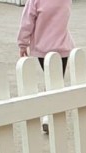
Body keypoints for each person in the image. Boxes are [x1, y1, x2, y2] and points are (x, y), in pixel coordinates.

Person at [17, 0, 75, 133]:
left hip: (43, 47)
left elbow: (27, 22)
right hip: (62, 47)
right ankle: (51, 116)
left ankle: (48, 116)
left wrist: (22, 43)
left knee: (52, 81)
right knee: (56, 82)